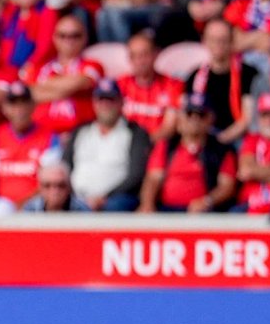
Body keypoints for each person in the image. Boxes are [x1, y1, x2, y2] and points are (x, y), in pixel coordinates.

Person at [138, 93, 238, 212]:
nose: (194, 119)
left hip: (203, 213)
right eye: (189, 113)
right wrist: (147, 204)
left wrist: (207, 201)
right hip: (165, 210)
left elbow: (226, 186)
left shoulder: (221, 150)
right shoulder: (167, 146)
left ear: (210, 119)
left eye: (201, 115)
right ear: (180, 117)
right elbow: (153, 179)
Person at [62, 79, 151, 211]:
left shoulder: (135, 133)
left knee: (116, 205)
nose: (105, 104)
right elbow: (65, 166)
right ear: (94, 102)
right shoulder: (81, 131)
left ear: (121, 102)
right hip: (77, 197)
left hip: (115, 199)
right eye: (101, 99)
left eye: (110, 99)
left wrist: (104, 198)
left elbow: (135, 175)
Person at [0, 80, 60, 206]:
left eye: (24, 103)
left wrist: (21, 205)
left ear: (33, 106)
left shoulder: (50, 137)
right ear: (5, 108)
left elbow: (50, 182)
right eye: (13, 104)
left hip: (36, 205)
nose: (19, 110)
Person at [26, 14, 104, 136]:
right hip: (42, 135)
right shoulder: (40, 68)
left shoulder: (93, 65)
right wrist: (67, 89)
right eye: (63, 35)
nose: (69, 40)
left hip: (79, 134)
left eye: (75, 35)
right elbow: (28, 95)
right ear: (54, 38)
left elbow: (80, 82)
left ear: (85, 37)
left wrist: (42, 85)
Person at [185, 18, 257, 146]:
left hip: (237, 138)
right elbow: (188, 116)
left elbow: (247, 119)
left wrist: (222, 139)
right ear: (205, 41)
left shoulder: (248, 74)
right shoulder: (195, 76)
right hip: (204, 138)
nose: (218, 45)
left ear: (232, 42)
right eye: (213, 39)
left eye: (223, 40)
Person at [116, 30, 179, 142]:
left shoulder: (172, 85)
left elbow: (169, 128)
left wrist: (143, 144)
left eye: (144, 55)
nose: (140, 61)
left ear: (155, 54)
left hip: (158, 145)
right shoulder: (119, 84)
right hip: (125, 144)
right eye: (134, 56)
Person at [21, 159, 91, 210]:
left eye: (61, 185)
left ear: (69, 187)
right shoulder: (31, 209)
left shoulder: (82, 210)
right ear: (40, 188)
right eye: (47, 185)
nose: (54, 191)